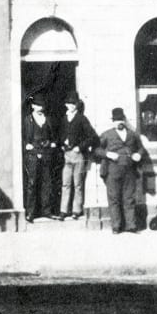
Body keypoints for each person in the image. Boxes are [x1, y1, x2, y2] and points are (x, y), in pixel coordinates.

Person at [95, 107, 144, 234]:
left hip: (129, 170)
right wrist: (108, 154)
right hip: (113, 170)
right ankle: (116, 226)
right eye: (116, 120)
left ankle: (131, 225)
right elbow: (96, 150)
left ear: (125, 120)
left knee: (129, 198)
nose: (119, 122)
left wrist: (138, 154)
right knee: (114, 198)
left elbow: (141, 149)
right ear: (113, 122)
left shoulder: (133, 134)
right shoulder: (106, 134)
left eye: (121, 120)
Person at [59, 92, 97, 220]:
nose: (71, 106)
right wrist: (62, 144)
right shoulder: (64, 119)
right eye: (68, 103)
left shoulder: (82, 118)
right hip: (67, 155)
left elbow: (92, 137)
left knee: (78, 184)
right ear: (65, 105)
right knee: (65, 183)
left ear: (77, 105)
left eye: (73, 103)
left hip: (78, 155)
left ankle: (77, 210)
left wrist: (80, 147)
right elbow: (59, 135)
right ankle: (63, 210)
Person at [22, 94, 58, 222]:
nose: (39, 107)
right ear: (32, 106)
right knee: (32, 183)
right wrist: (27, 145)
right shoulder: (28, 119)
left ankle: (46, 211)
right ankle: (30, 212)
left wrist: (52, 143)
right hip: (32, 155)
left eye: (41, 105)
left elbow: (53, 136)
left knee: (46, 182)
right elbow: (24, 137)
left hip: (46, 153)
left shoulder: (47, 119)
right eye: (37, 105)